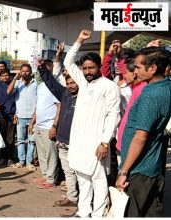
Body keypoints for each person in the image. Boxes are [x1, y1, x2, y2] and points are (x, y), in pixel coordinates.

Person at [63, 30, 121, 217]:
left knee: (99, 180)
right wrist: (79, 40)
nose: (88, 72)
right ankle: (83, 211)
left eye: (92, 68)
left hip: (97, 143)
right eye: (85, 68)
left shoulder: (109, 86)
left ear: (98, 67)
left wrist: (105, 142)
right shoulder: (83, 81)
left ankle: (97, 214)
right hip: (79, 141)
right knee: (82, 178)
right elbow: (67, 62)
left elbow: (114, 115)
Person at [116, 47, 171, 217]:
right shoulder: (165, 86)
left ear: (153, 68)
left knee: (134, 212)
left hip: (140, 169)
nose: (135, 70)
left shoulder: (151, 95)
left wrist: (124, 171)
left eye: (139, 67)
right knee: (151, 211)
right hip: (151, 166)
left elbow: (140, 138)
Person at [38, 64, 79, 206]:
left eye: (73, 82)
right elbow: (51, 83)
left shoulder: (86, 97)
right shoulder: (64, 93)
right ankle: (72, 197)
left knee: (79, 172)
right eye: (68, 83)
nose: (71, 86)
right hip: (62, 140)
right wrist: (42, 68)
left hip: (77, 142)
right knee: (68, 171)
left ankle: (84, 200)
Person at [29, 67, 60, 188]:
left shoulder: (54, 87)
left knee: (50, 153)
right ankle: (45, 175)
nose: (40, 74)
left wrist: (54, 126)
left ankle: (51, 179)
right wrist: (32, 122)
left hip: (49, 126)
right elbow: (39, 106)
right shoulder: (40, 86)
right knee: (41, 153)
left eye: (43, 72)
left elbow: (59, 107)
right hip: (39, 125)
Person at [7, 64, 37, 169]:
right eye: (23, 71)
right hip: (20, 117)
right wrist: (15, 77)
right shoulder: (17, 83)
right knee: (20, 140)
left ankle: (29, 162)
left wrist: (35, 116)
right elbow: (8, 91)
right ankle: (21, 161)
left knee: (31, 141)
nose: (25, 73)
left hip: (33, 117)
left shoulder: (36, 83)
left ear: (31, 72)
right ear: (20, 72)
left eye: (27, 71)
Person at [0, 68, 16, 166]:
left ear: (10, 76)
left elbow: (17, 100)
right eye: (2, 75)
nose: (5, 77)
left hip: (11, 115)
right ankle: (2, 157)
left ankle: (10, 158)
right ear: (0, 77)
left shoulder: (15, 85)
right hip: (1, 115)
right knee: (1, 137)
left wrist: (16, 113)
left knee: (10, 138)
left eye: (6, 75)